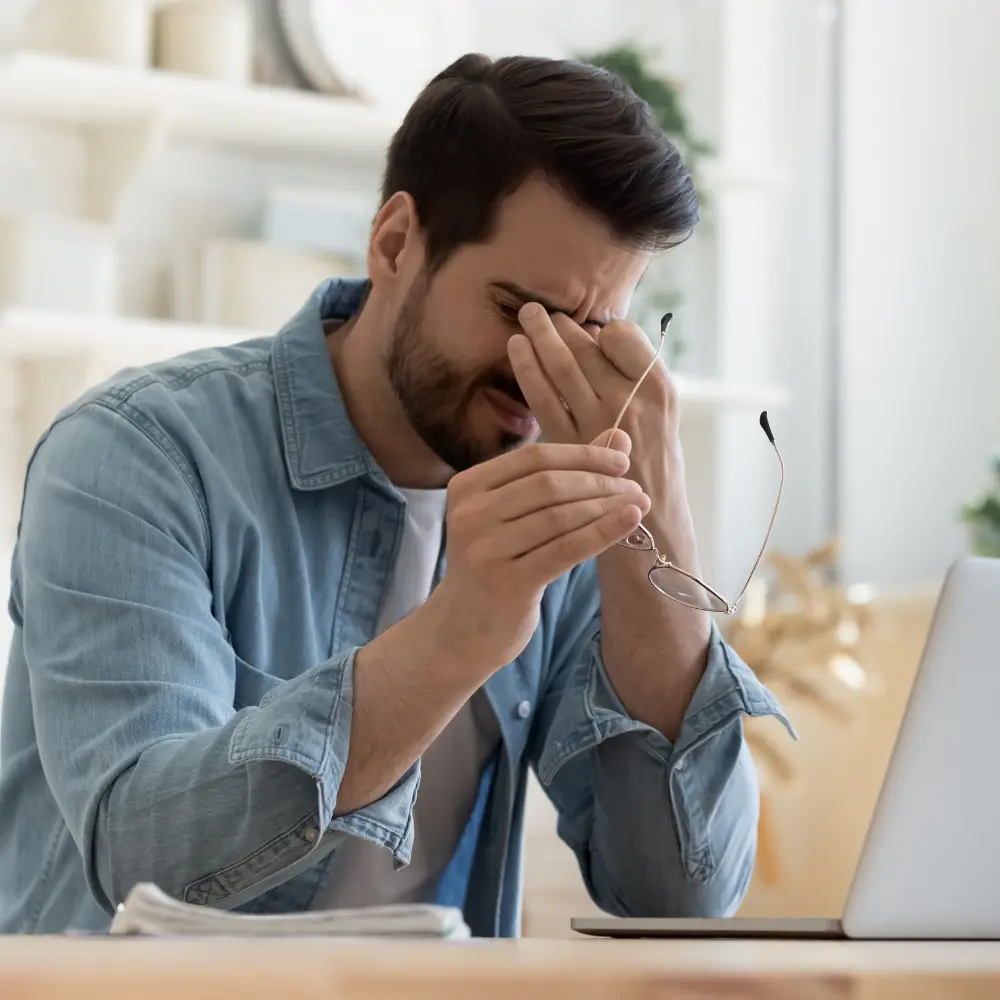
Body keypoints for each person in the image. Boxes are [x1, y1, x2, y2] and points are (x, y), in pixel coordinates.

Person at [0, 53, 788, 935]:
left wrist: (661, 536)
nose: (543, 370)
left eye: (591, 332)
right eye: (517, 310)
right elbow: (143, 859)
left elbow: (680, 900)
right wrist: (460, 631)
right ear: (394, 244)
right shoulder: (135, 455)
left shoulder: (570, 504)